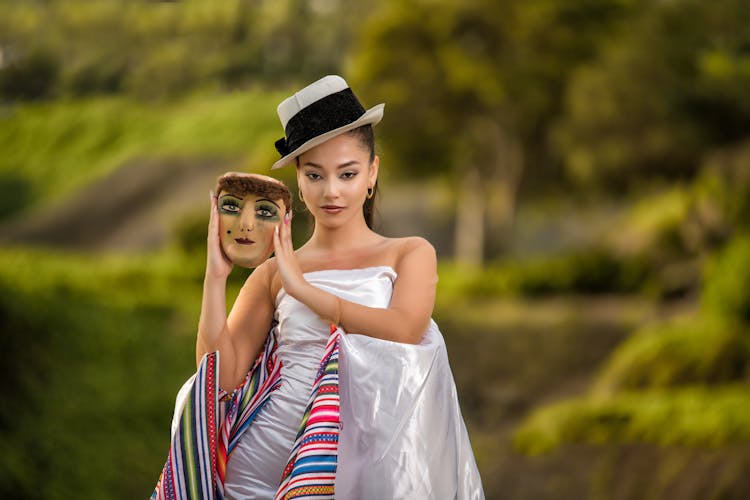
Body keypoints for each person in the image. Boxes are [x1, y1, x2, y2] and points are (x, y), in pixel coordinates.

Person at [153, 75, 484, 500]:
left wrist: (305, 291)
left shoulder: (410, 253)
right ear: (298, 179)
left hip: (367, 454)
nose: (331, 191)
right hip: (269, 455)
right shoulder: (272, 274)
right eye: (314, 175)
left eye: (347, 174)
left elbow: (406, 329)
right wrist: (216, 278)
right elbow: (220, 376)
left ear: (372, 173)